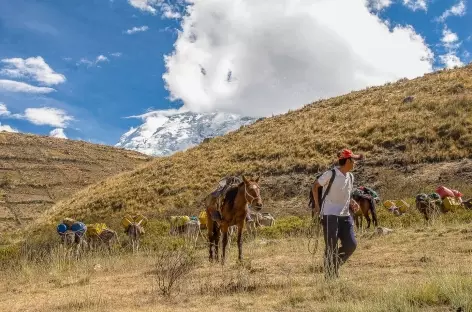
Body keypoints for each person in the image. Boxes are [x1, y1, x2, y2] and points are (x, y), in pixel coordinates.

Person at [312, 149, 363, 279]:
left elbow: (346, 193)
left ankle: (332, 265)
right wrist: (317, 206)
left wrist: (352, 202)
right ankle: (330, 276)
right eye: (353, 160)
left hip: (345, 215)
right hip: (329, 215)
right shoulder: (331, 174)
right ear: (347, 161)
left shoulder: (350, 176)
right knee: (331, 246)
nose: (354, 163)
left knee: (351, 245)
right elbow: (315, 186)